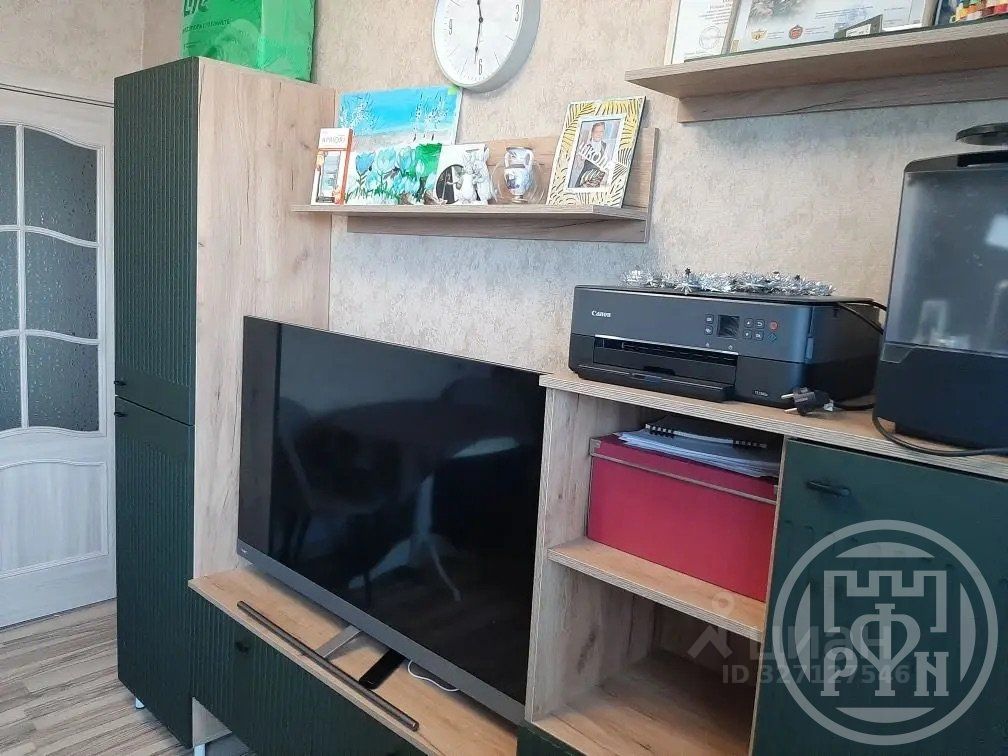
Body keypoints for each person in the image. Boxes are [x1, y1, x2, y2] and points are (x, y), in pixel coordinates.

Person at [573, 122, 609, 188]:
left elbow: (607, 166)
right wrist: (580, 159)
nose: (599, 134)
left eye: (601, 132)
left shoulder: (605, 146)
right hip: (585, 178)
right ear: (592, 133)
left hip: (598, 179)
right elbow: (579, 167)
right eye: (596, 131)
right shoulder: (585, 146)